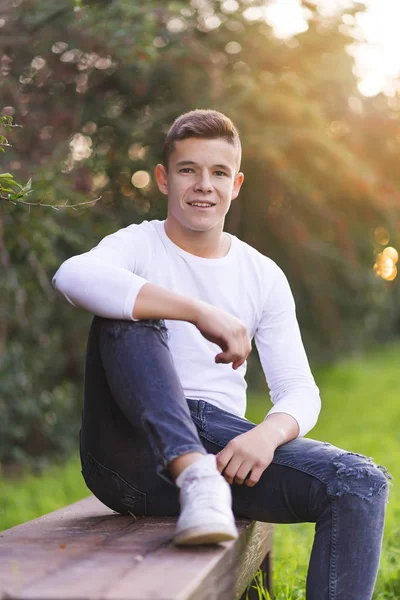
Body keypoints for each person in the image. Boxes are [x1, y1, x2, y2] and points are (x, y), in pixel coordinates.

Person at [53, 109, 390, 599]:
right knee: (127, 309)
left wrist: (268, 436)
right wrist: (196, 312)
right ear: (165, 179)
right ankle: (191, 473)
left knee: (362, 482)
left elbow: (299, 389)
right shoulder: (137, 245)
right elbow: (72, 276)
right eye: (188, 170)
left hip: (222, 456)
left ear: (236, 184)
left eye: (218, 173)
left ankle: (201, 479)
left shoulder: (262, 274)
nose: (203, 185)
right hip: (124, 455)